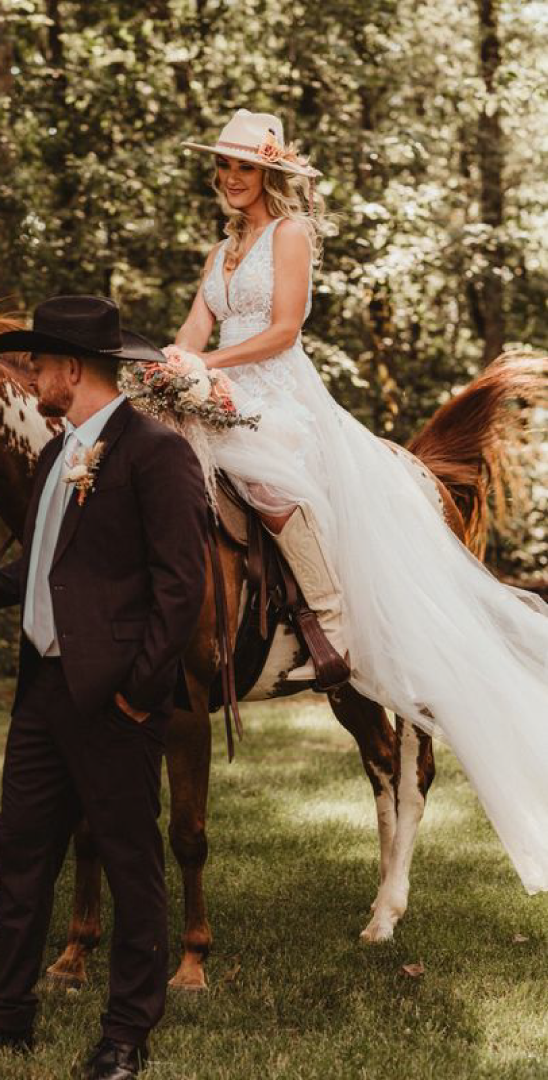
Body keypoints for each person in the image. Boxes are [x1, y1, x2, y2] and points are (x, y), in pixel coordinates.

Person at [170, 110, 548, 892]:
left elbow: (280, 332)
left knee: (271, 479)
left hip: (277, 396)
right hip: (216, 389)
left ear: (271, 173)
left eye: (245, 167)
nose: (232, 178)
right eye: (224, 166)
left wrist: (208, 367)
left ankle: (326, 613)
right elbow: (191, 329)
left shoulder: (291, 236)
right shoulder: (219, 249)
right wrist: (168, 366)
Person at [0, 296, 211, 1080]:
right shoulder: (53, 454)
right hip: (40, 691)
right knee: (21, 855)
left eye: (36, 364)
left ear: (71, 370)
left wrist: (141, 693)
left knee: (133, 866)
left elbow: (182, 588)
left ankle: (125, 1038)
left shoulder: (156, 453)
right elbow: (35, 568)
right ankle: (4, 1019)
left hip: (113, 700)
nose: (27, 374)